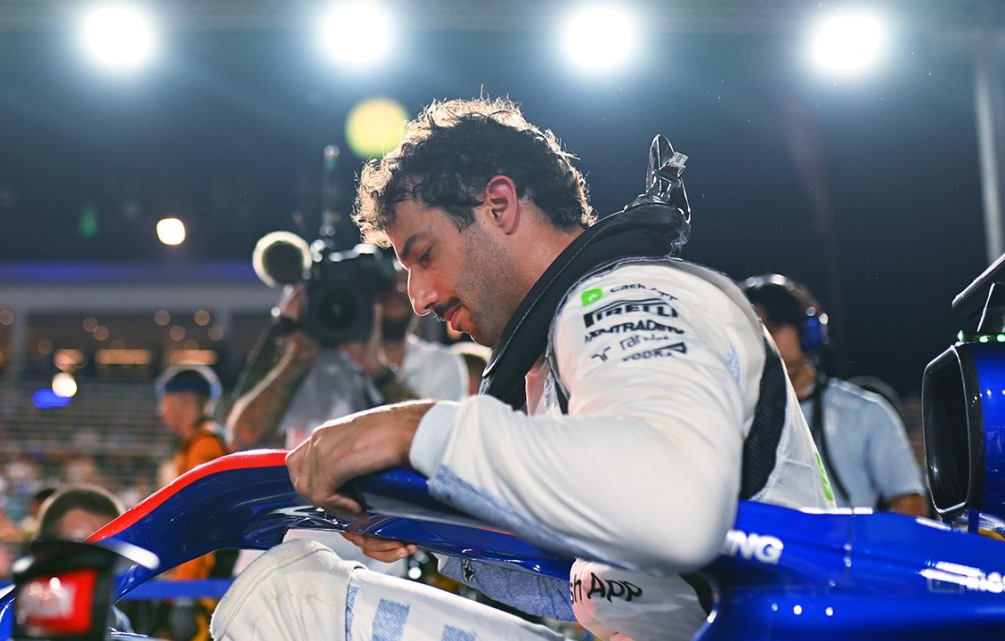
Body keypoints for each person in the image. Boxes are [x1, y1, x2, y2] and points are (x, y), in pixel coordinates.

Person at [212, 98, 835, 641]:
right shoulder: (565, 346)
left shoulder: (622, 297)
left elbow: (671, 504)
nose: (418, 298)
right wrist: (418, 524)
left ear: (499, 204)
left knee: (288, 598)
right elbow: (602, 583)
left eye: (423, 256)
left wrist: (413, 430)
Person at [741, 274, 927, 516]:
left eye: (772, 329)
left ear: (807, 332)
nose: (762, 342)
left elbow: (911, 504)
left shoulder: (865, 413)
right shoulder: (731, 419)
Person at [227, 267, 468, 451]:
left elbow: (440, 442)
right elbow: (244, 438)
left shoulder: (442, 365)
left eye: (403, 282)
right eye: (383, 286)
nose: (395, 291)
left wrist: (376, 369)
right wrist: (299, 355)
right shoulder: (316, 364)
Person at [0, 486, 130, 640]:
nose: (92, 561)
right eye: (78, 547)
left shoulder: (116, 622)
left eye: (108, 551)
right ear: (42, 550)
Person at [156, 365, 231, 641]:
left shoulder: (205, 446)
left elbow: (199, 521)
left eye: (165, 402)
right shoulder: (197, 445)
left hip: (202, 586)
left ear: (185, 402)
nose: (161, 412)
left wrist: (185, 591)